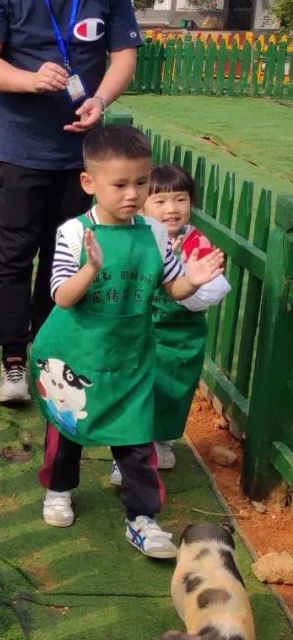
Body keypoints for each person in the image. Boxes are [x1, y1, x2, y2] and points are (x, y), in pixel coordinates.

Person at [0, 0, 143, 406]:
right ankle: (14, 360)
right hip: (20, 149)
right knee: (15, 254)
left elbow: (124, 59)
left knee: (64, 255)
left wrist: (101, 100)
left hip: (81, 154)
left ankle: (50, 351)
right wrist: (29, 79)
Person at [31, 125, 224, 558]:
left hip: (131, 357)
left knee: (137, 441)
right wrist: (91, 268)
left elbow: (171, 287)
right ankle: (59, 490)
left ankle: (142, 519)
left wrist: (193, 279)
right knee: (67, 431)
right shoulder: (72, 233)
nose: (132, 194)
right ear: (89, 182)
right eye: (119, 185)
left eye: (140, 182)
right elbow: (61, 295)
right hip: (76, 355)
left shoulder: (154, 233)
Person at [107, 163, 230, 483]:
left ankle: (161, 441)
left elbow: (213, 291)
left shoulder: (196, 243)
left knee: (173, 390)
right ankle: (127, 458)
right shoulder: (133, 237)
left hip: (181, 337)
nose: (171, 209)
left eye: (181, 199)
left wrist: (189, 283)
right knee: (135, 391)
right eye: (160, 201)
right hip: (138, 333)